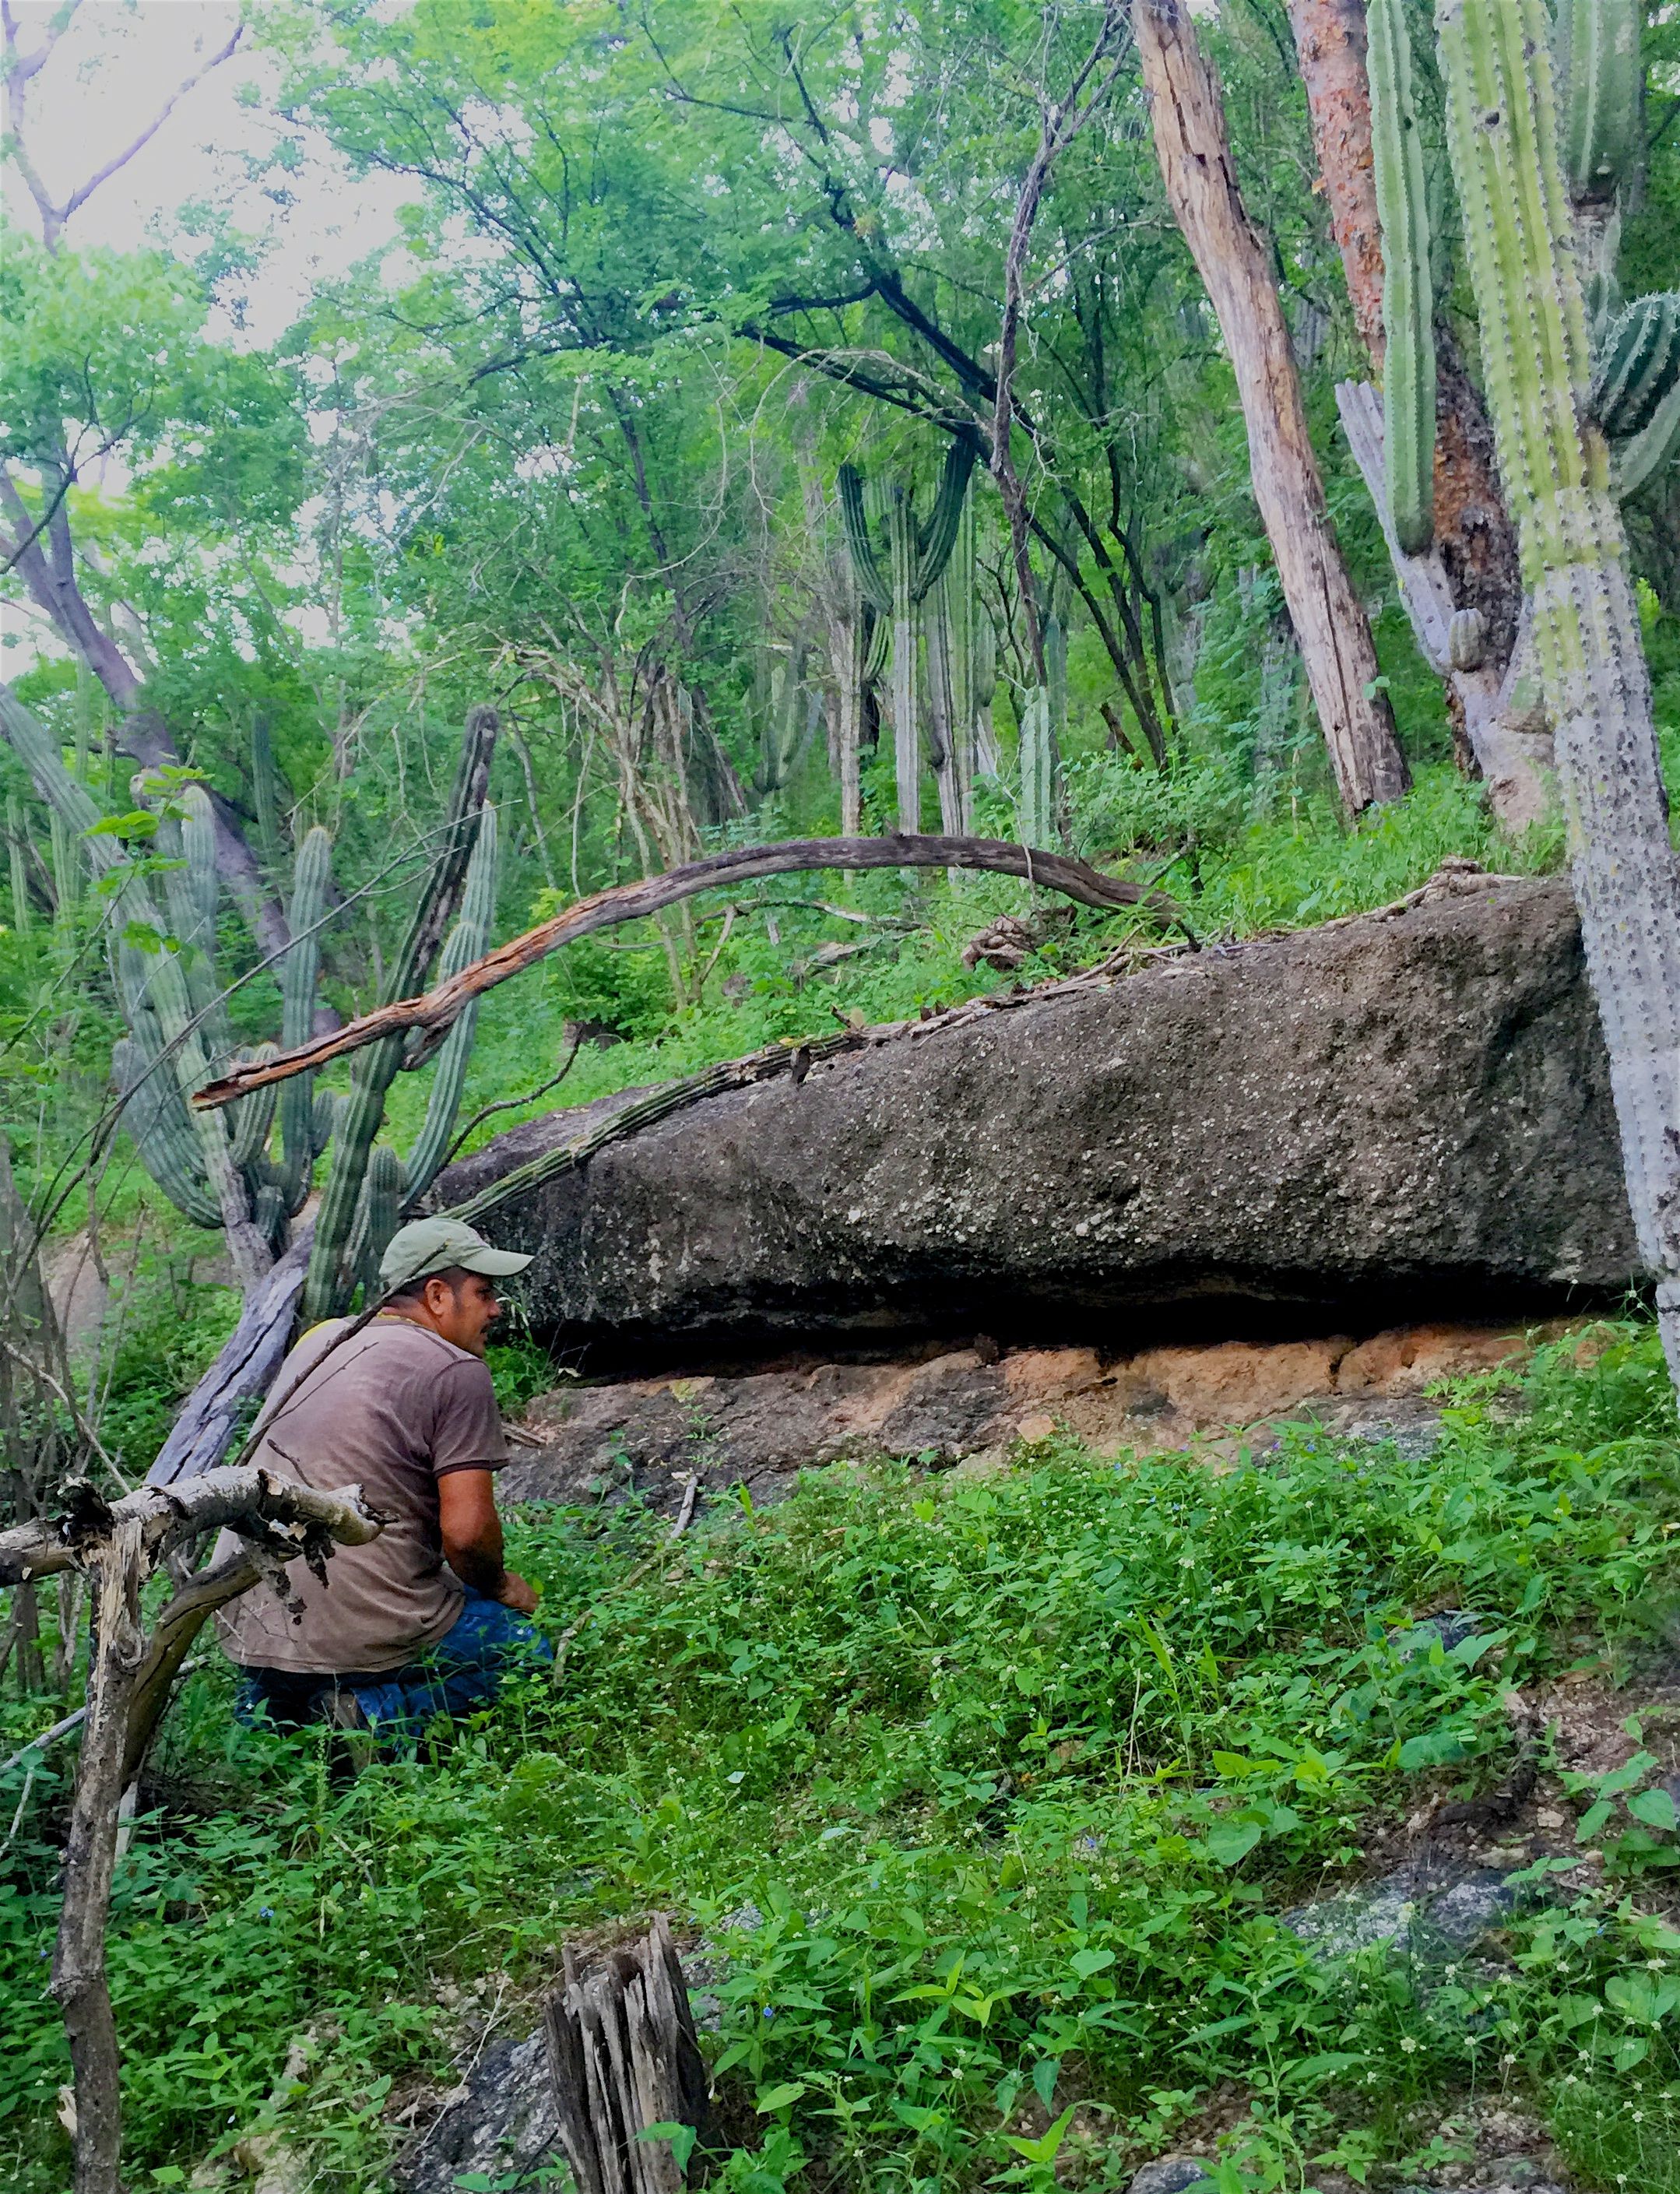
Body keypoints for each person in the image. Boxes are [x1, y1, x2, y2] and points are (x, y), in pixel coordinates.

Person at [216, 1215, 552, 1740]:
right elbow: (467, 1540)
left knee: (301, 1672)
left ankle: (277, 1717)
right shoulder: (455, 1370)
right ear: (438, 1295)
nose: (495, 1310)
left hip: (251, 1633)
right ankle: (379, 1725)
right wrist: (506, 1586)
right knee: (525, 1650)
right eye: (484, 1293)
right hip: (357, 1635)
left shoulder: (321, 1339)